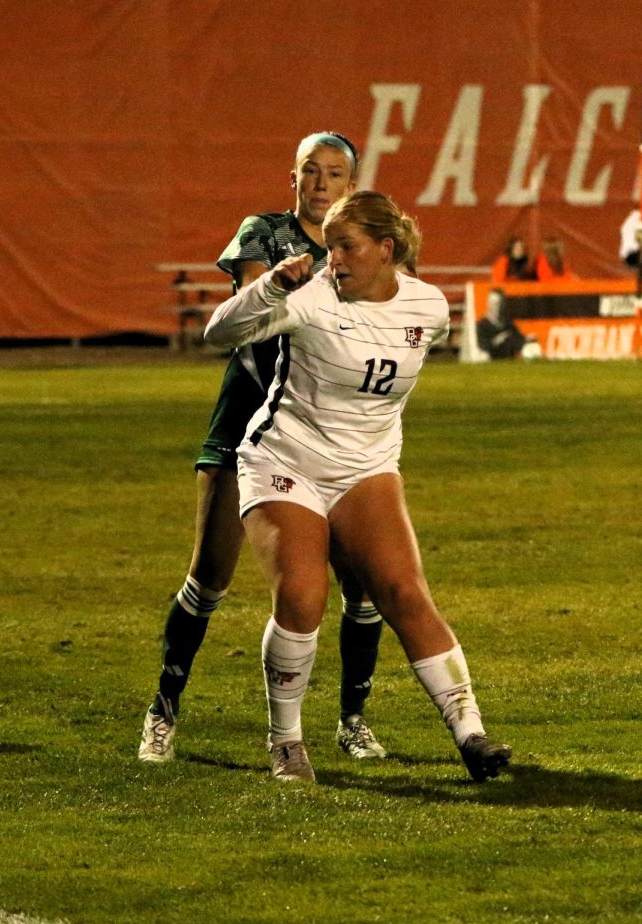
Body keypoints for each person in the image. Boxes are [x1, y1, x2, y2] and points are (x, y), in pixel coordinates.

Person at [202, 191, 512, 783]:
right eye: (329, 247)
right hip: (285, 457)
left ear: (385, 250)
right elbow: (221, 331)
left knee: (404, 590)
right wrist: (270, 287)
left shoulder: (429, 307)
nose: (333, 259)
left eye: (346, 247)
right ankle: (287, 743)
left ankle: (471, 733)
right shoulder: (310, 297)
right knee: (302, 595)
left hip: (366, 466)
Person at [139, 132, 391, 765]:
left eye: (335, 173)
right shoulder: (266, 235)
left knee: (362, 586)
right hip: (248, 424)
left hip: (333, 434)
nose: (321, 183)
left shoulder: (361, 248)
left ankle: (352, 721)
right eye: (311, 171)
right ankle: (162, 714)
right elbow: (246, 315)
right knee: (208, 577)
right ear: (294, 178)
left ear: (352, 186)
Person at [475, 288, 540, 360]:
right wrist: (497, 341)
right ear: (488, 303)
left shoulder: (508, 323)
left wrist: (527, 339)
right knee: (484, 356)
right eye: (494, 303)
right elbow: (482, 346)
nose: (497, 307)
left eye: (500, 303)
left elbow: (518, 340)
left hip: (508, 359)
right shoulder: (482, 325)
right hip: (491, 359)